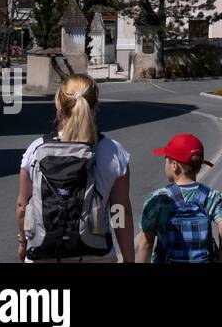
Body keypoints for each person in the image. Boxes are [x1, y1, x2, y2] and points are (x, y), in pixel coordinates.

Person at [18, 74, 135, 263]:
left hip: (44, 254)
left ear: (58, 104)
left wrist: (23, 243)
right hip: (96, 255)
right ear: (95, 106)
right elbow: (119, 211)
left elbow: (23, 207)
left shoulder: (36, 150)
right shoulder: (114, 152)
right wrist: (129, 259)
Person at [137, 133, 222, 263]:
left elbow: (145, 243)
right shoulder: (211, 196)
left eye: (166, 158)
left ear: (174, 165)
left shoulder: (158, 199)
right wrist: (221, 258)